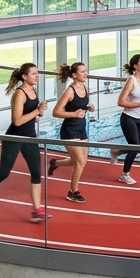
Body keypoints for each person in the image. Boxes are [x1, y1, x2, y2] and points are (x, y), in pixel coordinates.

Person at [0, 64, 51, 223]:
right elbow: (17, 121)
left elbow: (26, 115)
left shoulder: (33, 90)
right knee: (4, 172)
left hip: (29, 137)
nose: (37, 76)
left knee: (36, 172)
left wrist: (37, 114)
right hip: (14, 138)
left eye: (37, 73)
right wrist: (37, 111)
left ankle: (36, 210)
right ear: (24, 76)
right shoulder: (19, 94)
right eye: (33, 74)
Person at [49, 62, 93, 204]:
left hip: (81, 128)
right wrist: (74, 114)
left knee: (80, 161)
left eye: (86, 71)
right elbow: (56, 112)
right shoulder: (69, 91)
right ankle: (73, 191)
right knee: (79, 162)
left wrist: (88, 107)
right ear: (74, 75)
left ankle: (55, 163)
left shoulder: (86, 89)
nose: (85, 74)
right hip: (69, 130)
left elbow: (80, 107)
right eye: (82, 72)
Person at [113, 54, 140, 186]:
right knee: (135, 147)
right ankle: (125, 174)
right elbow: (120, 101)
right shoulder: (131, 80)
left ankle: (116, 151)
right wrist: (137, 104)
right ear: (135, 66)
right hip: (128, 118)